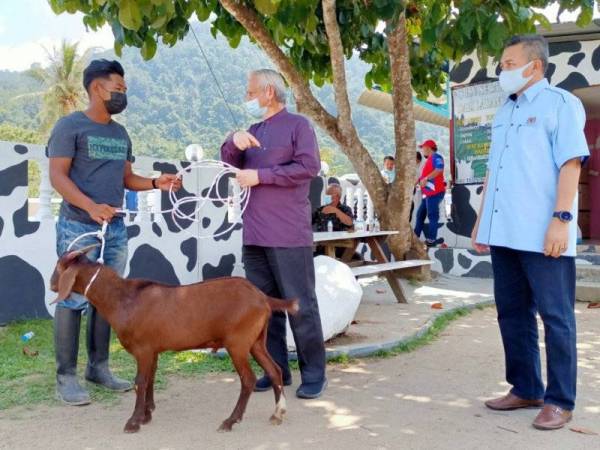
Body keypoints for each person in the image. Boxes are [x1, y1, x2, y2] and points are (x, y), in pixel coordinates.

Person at [471, 35, 589, 430]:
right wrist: (480, 220)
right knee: (512, 313)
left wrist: (561, 219)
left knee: (556, 317)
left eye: (507, 63)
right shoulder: (504, 111)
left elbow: (571, 163)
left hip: (543, 232)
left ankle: (560, 400)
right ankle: (526, 387)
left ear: (533, 66)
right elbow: (493, 170)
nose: (501, 70)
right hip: (504, 230)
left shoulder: (561, 104)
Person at [47, 59, 182, 406]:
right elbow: (57, 177)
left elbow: (126, 179)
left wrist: (155, 182)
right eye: (118, 89)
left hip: (116, 229)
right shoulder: (70, 126)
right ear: (97, 88)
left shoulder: (120, 133)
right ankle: (66, 377)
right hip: (79, 226)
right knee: (72, 297)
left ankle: (99, 368)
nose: (123, 95)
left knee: (107, 300)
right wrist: (91, 207)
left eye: (124, 90)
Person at [220, 69, 327, 399]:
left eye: (250, 92)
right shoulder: (251, 130)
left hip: (288, 233)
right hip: (254, 234)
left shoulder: (299, 126)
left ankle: (314, 373)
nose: (247, 98)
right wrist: (232, 141)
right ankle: (276, 369)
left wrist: (261, 176)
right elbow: (229, 162)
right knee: (265, 308)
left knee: (299, 305)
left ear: (269, 92)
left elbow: (308, 167)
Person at [414, 139, 445, 247]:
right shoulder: (430, 159)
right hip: (428, 194)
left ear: (427, 147)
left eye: (422, 148)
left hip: (435, 193)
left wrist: (425, 178)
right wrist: (419, 181)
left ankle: (431, 240)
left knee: (432, 216)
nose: (422, 150)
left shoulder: (437, 157)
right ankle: (415, 237)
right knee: (420, 215)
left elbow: (439, 169)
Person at [410, 151, 424, 222]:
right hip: (414, 188)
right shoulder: (414, 167)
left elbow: (420, 177)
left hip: (420, 189)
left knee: (418, 205)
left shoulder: (422, 166)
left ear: (418, 159)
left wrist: (415, 184)